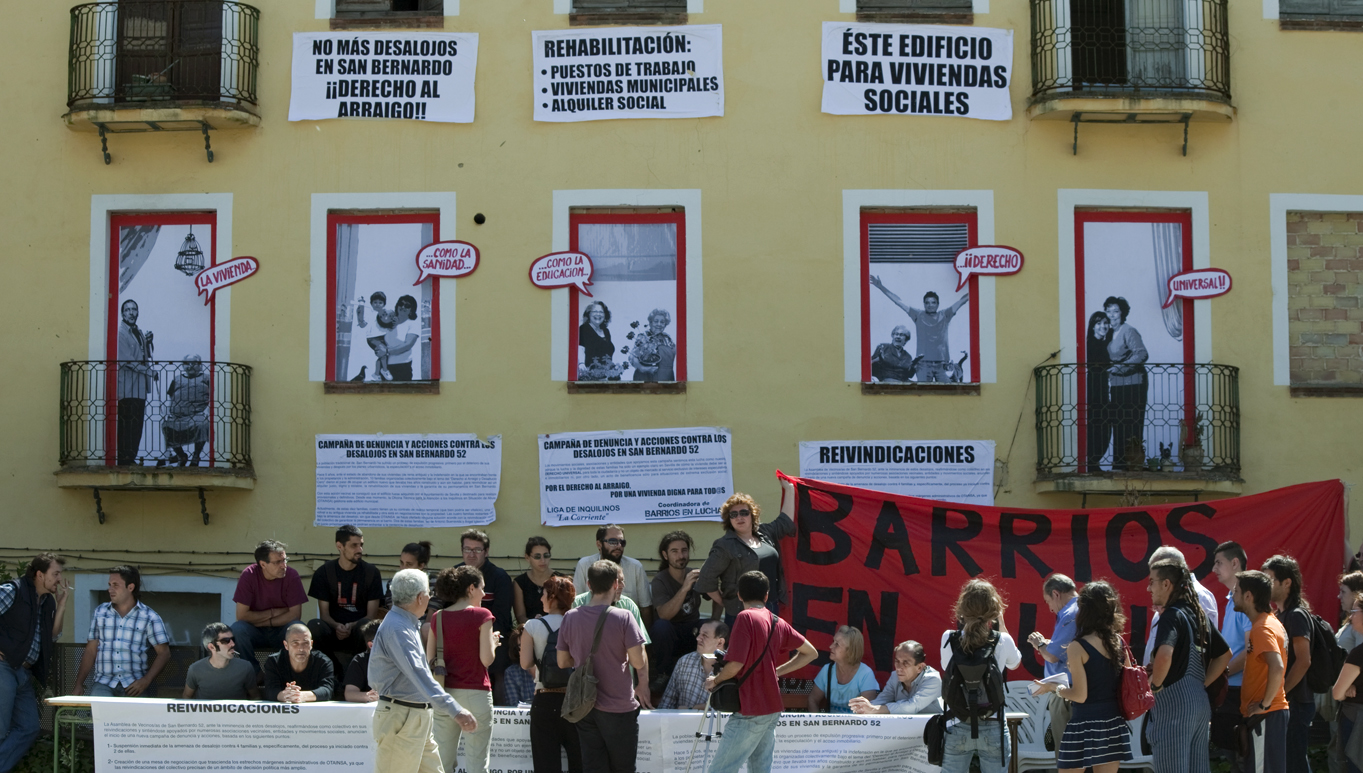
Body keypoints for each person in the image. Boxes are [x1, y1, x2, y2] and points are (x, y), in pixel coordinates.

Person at [704, 571, 818, 773]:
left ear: (739, 595)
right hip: (771, 707)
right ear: (766, 596)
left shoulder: (745, 617)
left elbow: (736, 664)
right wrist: (777, 671)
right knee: (760, 769)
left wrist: (715, 679)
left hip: (751, 707)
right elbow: (811, 653)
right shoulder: (777, 622)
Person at [370, 568, 477, 773]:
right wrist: (455, 709)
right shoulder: (399, 628)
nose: (430, 597)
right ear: (420, 597)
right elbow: (419, 674)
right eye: (429, 593)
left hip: (411, 715)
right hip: (402, 717)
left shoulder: (405, 624)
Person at [557, 560, 652, 773]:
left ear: (589, 585)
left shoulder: (571, 616)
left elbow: (562, 661)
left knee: (593, 767)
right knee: (623, 767)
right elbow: (638, 662)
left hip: (584, 704)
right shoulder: (624, 616)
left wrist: (584, 658)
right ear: (616, 585)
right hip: (618, 706)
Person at [1032, 581, 1132, 773]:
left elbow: (1080, 695)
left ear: (1084, 609)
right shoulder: (1118, 642)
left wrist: (1053, 687)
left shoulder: (1077, 647)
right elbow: (1125, 681)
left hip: (1084, 724)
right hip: (1113, 722)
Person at [1147, 559, 1231, 773]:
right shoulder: (1198, 614)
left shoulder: (1171, 615)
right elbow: (1224, 654)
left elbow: (1165, 655)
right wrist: (1201, 684)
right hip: (1200, 704)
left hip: (1174, 707)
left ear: (1166, 584)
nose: (1149, 588)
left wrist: (1155, 685)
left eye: (1152, 582)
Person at [938, 578, 1022, 773]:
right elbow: (1015, 663)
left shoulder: (948, 638)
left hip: (957, 722)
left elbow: (945, 666)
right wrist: (1001, 624)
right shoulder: (1003, 639)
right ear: (994, 609)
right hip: (993, 724)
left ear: (962, 607)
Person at [0, 554, 67, 771]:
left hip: (23, 673)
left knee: (29, 728)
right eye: (55, 574)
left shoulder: (47, 601)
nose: (59, 579)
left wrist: (62, 604)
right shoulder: (14, 590)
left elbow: (53, 635)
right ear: (40, 574)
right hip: (3, 668)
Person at [426, 566, 497, 773]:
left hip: (444, 694)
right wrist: (492, 642)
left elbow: (430, 660)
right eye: (482, 588)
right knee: (477, 762)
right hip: (476, 692)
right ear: (471, 588)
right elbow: (486, 660)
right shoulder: (483, 615)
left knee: (442, 763)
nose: (484, 594)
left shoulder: (437, 617)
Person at [697, 483, 796, 628]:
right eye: (733, 514)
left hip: (771, 606)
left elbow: (785, 522)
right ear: (728, 519)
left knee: (769, 649)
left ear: (752, 515)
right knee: (746, 651)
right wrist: (727, 602)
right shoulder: (725, 545)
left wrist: (790, 489)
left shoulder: (765, 533)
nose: (739, 517)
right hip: (742, 612)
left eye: (744, 512)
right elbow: (705, 579)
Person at [72, 566, 171, 697]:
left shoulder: (149, 616)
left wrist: (146, 681)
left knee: (137, 717)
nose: (110, 589)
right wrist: (79, 684)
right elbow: (90, 650)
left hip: (134, 685)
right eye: (109, 585)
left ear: (130, 587)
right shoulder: (100, 612)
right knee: (100, 717)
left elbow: (164, 653)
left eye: (115, 585)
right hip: (104, 683)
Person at [520, 575, 582, 773]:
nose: (541, 599)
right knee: (580, 762)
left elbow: (525, 663)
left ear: (552, 596)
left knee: (546, 765)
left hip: (545, 700)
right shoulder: (580, 624)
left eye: (544, 594)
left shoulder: (532, 626)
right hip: (576, 701)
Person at [1262, 554, 1316, 773]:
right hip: (1284, 703)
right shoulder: (1278, 615)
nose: (1265, 585)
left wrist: (1280, 693)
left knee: (1294, 763)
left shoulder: (1296, 616)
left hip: (1296, 703)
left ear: (1287, 583)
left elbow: (1304, 661)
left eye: (1270, 580)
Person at [1234, 570, 1290, 773]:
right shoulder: (1270, 622)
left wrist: (1264, 705)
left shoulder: (1262, 628)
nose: (1232, 595)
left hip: (1267, 716)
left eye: (1236, 590)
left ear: (1248, 596)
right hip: (1269, 716)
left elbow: (1277, 667)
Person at [868, 275, 970, 383]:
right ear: (924, 304)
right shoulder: (918, 315)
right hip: (923, 365)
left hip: (942, 364)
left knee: (948, 391)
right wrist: (881, 287)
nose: (930, 305)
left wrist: (978, 284)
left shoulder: (945, 315)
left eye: (933, 302)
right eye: (927, 303)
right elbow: (898, 301)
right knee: (923, 392)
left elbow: (962, 300)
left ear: (938, 304)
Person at [308, 524, 383, 667]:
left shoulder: (371, 573)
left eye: (361, 545)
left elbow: (371, 615)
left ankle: (355, 668)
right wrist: (337, 626)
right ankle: (332, 667)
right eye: (354, 545)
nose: (359, 550)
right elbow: (324, 615)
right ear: (339, 546)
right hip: (333, 629)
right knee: (314, 625)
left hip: (358, 631)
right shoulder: (324, 572)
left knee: (366, 626)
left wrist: (351, 626)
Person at [456, 529, 515, 706]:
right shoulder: (454, 574)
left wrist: (481, 635)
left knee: (499, 664)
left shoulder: (499, 576)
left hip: (492, 633)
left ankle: (500, 713)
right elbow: (447, 610)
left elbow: (503, 618)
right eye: (467, 549)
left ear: (486, 552)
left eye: (477, 550)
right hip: (459, 634)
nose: (471, 554)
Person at [232, 539, 307, 673]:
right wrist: (273, 613)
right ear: (263, 564)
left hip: (281, 631)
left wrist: (267, 621)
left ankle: (289, 674)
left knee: (297, 628)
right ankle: (253, 673)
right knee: (237, 629)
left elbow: (295, 615)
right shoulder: (248, 575)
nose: (283, 565)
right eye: (278, 562)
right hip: (256, 631)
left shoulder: (292, 575)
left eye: (285, 560)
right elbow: (242, 616)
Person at [1212, 540, 1254, 771]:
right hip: (1230, 690)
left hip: (1241, 693)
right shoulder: (1231, 599)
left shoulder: (1247, 598)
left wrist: (1223, 673)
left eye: (1219, 562)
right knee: (1232, 753)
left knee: (1242, 756)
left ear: (1235, 563)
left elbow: (1251, 651)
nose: (1214, 569)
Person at [650, 530, 709, 690]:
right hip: (670, 635)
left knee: (711, 625)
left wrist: (716, 619)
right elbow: (664, 615)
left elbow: (718, 598)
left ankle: (709, 673)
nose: (680, 555)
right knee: (661, 626)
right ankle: (663, 674)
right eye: (674, 551)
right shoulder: (660, 580)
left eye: (684, 550)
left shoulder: (695, 574)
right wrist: (684, 588)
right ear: (665, 555)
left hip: (693, 631)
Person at [1142, 545, 1219, 666]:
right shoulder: (1167, 599)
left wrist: (1157, 683)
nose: (1149, 588)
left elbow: (1213, 652)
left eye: (1153, 578)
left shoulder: (1199, 596)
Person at [1026, 573, 1078, 747]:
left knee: (1067, 754)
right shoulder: (1080, 609)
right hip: (1073, 691)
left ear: (1056, 594)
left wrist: (1039, 643)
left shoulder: (1070, 613)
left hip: (1066, 693)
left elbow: (1053, 655)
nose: (1050, 608)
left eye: (1048, 601)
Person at [1103, 296, 1148, 468]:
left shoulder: (1128, 331)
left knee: (1132, 423)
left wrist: (1121, 368)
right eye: (1108, 311)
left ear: (1123, 313)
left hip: (1134, 384)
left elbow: (1142, 354)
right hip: (1116, 385)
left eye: (1115, 311)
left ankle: (1133, 463)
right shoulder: (1107, 333)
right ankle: (1119, 463)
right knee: (1118, 423)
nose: (1112, 315)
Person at [573, 524, 653, 621]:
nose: (619, 546)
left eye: (622, 542)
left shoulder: (635, 567)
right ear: (599, 544)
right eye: (613, 542)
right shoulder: (584, 565)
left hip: (626, 628)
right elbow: (576, 604)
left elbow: (646, 608)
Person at [850, 639, 942, 715]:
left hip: (935, 731)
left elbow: (912, 706)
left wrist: (874, 709)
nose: (899, 668)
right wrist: (864, 708)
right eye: (897, 661)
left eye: (906, 663)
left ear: (919, 667)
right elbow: (883, 699)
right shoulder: (895, 676)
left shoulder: (933, 679)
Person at [115, 298, 157, 465]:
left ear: (138, 312)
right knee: (127, 425)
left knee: (137, 425)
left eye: (134, 309)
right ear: (122, 313)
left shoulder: (138, 332)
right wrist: (149, 371)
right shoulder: (120, 333)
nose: (131, 312)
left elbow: (144, 355)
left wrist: (148, 341)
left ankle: (131, 458)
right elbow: (127, 360)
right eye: (128, 309)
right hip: (126, 386)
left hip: (139, 387)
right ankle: (124, 459)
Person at [658, 619, 728, 710]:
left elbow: (730, 711)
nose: (698, 638)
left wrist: (692, 709)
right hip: (680, 723)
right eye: (699, 633)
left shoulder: (731, 669)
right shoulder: (685, 661)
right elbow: (667, 701)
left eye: (705, 635)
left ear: (720, 642)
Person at [809, 626, 879, 713]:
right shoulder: (827, 670)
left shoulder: (865, 674)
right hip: (830, 726)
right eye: (833, 642)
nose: (831, 646)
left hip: (855, 725)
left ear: (850, 651)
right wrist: (818, 724)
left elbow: (868, 712)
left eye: (837, 644)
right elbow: (812, 700)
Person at [1330, 589, 1363, 773]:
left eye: (1355, 612)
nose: (1350, 617)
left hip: (1357, 721)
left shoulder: (1359, 653)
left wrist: (1347, 687)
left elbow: (1337, 692)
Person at [183, 622, 259, 700]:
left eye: (233, 639)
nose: (232, 644)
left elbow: (255, 697)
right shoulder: (196, 669)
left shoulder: (245, 667)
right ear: (212, 647)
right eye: (226, 641)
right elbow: (187, 697)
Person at [263, 624, 336, 703]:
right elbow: (270, 690)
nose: (301, 648)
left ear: (311, 644)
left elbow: (327, 690)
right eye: (295, 643)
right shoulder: (274, 662)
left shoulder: (323, 662)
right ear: (286, 645)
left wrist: (300, 695)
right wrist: (286, 695)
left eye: (305, 643)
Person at [160, 354, 210, 466]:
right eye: (187, 363)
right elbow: (170, 397)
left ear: (200, 365)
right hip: (177, 416)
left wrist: (208, 410)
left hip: (197, 414)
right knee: (167, 426)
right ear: (183, 366)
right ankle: (181, 456)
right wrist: (167, 411)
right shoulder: (177, 379)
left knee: (202, 424)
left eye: (194, 363)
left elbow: (215, 396)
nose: (190, 366)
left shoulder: (207, 378)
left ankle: (196, 456)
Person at [1084, 311, 1113, 470]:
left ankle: (1095, 459)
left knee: (1104, 424)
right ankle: (1092, 460)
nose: (1103, 326)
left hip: (1103, 389)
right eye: (1099, 323)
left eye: (1105, 322)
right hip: (1093, 389)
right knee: (1096, 423)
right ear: (1093, 326)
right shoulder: (1090, 344)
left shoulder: (1107, 343)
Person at [381, 541, 437, 620]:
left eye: (409, 564)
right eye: (401, 563)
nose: (403, 568)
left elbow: (431, 618)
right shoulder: (394, 583)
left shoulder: (433, 582)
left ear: (421, 565)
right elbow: (394, 612)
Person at [514, 536, 562, 625]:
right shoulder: (520, 582)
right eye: (537, 556)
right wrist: (536, 626)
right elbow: (520, 616)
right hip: (530, 631)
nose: (543, 560)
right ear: (527, 557)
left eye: (546, 555)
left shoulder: (561, 580)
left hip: (557, 631)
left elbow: (568, 611)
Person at [356, 290, 398, 381]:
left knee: (384, 355)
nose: (377, 304)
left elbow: (390, 325)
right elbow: (362, 324)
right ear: (371, 303)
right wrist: (361, 306)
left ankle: (376, 374)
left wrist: (393, 321)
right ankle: (385, 370)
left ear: (384, 304)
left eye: (380, 302)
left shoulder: (386, 313)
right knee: (383, 353)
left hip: (383, 337)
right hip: (372, 338)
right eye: (375, 302)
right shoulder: (370, 313)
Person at [628, 308, 677, 382]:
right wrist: (643, 369)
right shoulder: (643, 337)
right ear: (650, 322)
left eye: (662, 322)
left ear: (665, 324)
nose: (659, 324)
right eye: (656, 321)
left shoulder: (667, 338)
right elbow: (632, 357)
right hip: (646, 377)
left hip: (665, 379)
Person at [577, 301, 618, 380]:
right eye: (595, 311)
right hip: (590, 376)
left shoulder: (606, 331)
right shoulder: (583, 329)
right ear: (588, 314)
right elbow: (580, 349)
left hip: (606, 376)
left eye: (601, 312)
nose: (598, 314)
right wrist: (581, 366)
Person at [385, 294, 422, 381]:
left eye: (407, 305)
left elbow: (408, 345)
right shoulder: (388, 321)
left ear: (411, 310)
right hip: (385, 367)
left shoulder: (413, 324)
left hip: (402, 367)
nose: (403, 307)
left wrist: (386, 351)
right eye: (401, 304)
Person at [343, 620, 380, 703]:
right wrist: (369, 696)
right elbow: (349, 693)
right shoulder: (360, 660)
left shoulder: (401, 659)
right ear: (371, 645)